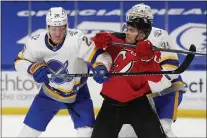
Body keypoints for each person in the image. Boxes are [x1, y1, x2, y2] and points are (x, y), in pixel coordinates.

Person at [14, 7, 112, 137]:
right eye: (53, 28)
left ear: (66, 26)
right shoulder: (35, 42)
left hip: (79, 93)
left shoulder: (77, 39)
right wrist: (32, 68)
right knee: (27, 133)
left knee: (87, 132)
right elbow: (19, 62)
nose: (57, 33)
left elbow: (99, 55)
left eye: (61, 28)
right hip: (49, 93)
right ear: (47, 27)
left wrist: (102, 66)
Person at [90, 9, 173, 138]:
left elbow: (156, 79)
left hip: (138, 105)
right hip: (110, 105)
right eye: (128, 28)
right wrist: (100, 61)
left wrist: (147, 59)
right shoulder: (115, 41)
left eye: (132, 30)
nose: (127, 32)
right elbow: (100, 54)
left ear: (142, 34)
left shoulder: (150, 51)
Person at [118, 3, 185, 138]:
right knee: (125, 132)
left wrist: (155, 83)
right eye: (133, 18)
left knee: (162, 130)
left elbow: (171, 66)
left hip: (167, 91)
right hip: (143, 94)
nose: (135, 22)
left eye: (139, 19)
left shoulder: (160, 35)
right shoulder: (127, 34)